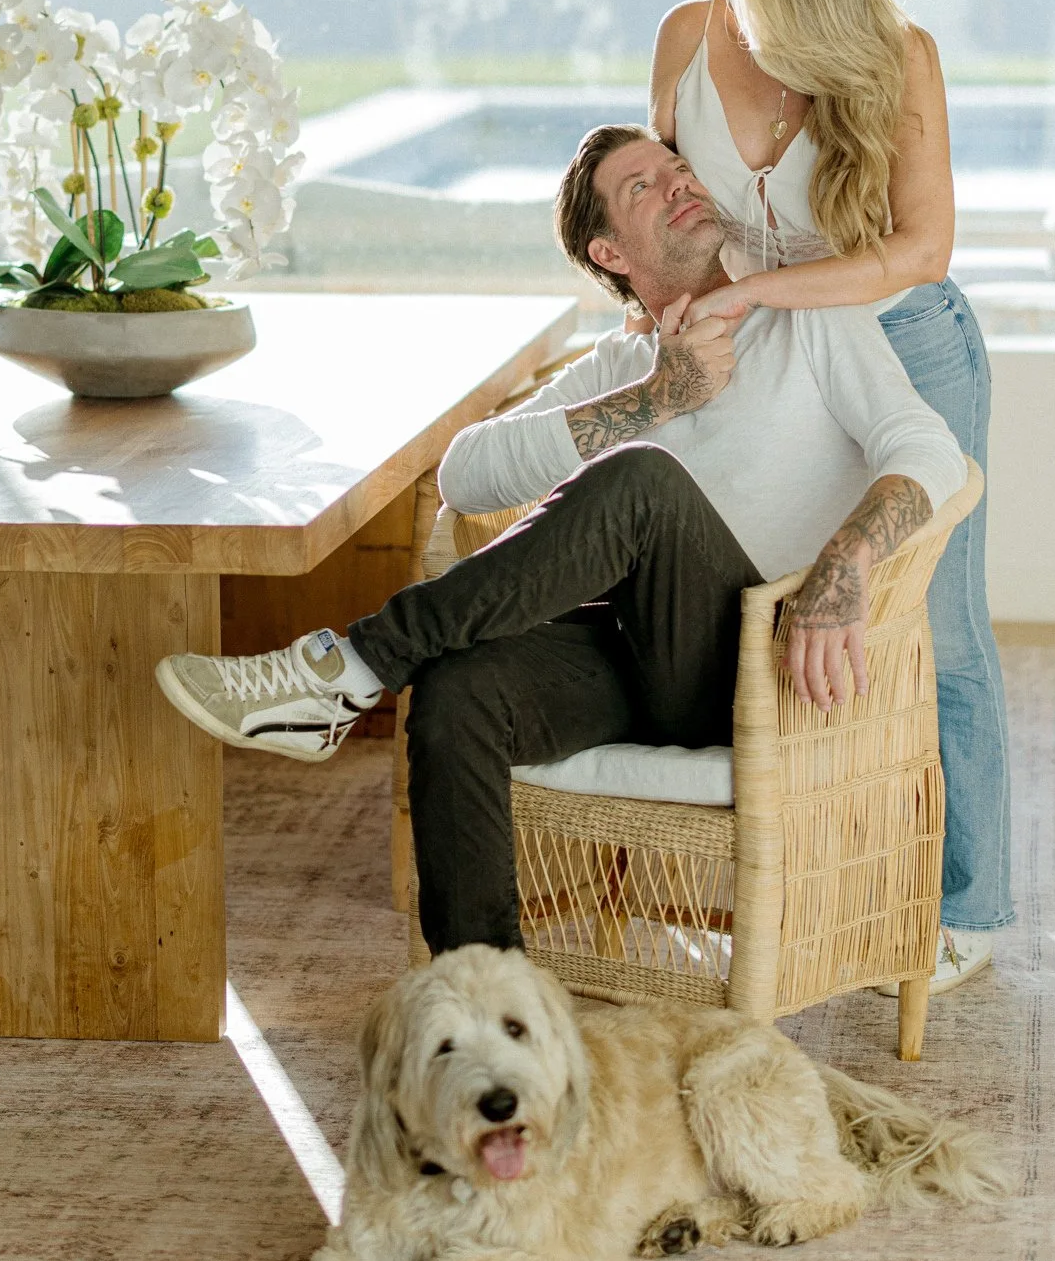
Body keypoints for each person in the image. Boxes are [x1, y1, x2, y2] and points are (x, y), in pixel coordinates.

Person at [155, 126, 967, 967]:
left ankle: (349, 668)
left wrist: (846, 563)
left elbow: (931, 450)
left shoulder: (802, 322)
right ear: (608, 251)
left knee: (642, 483)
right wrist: (655, 397)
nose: (679, 183)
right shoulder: (618, 366)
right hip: (632, 664)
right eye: (643, 186)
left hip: (767, 668)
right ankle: (486, 995)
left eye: (678, 169)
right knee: (458, 686)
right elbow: (468, 474)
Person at [650, 0, 1009, 995]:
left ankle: (967, 904)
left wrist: (756, 292)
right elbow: (663, 209)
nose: (747, 20)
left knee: (934, 630)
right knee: (757, 601)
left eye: (769, 4)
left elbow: (920, 252)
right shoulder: (684, 38)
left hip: (908, 346)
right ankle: (772, 874)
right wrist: (666, 311)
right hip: (764, 360)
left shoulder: (901, 56)